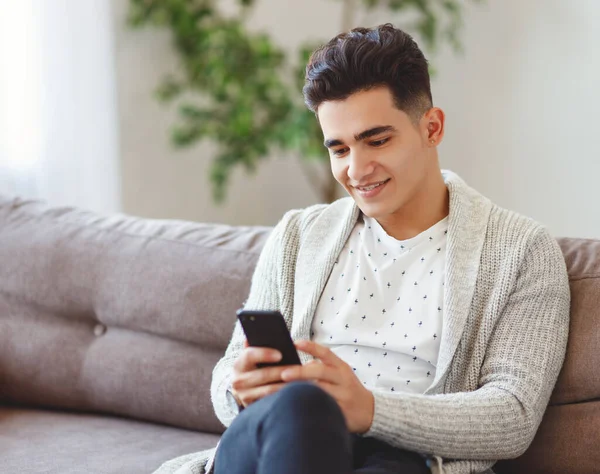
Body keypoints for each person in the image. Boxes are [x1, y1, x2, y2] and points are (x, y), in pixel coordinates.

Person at [155, 23, 570, 474]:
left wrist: (369, 409)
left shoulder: (522, 252)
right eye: (339, 149)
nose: (357, 169)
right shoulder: (299, 235)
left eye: (377, 140)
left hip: (401, 458)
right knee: (302, 406)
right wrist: (240, 387)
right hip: (279, 436)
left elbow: (513, 416)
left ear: (431, 128)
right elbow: (230, 374)